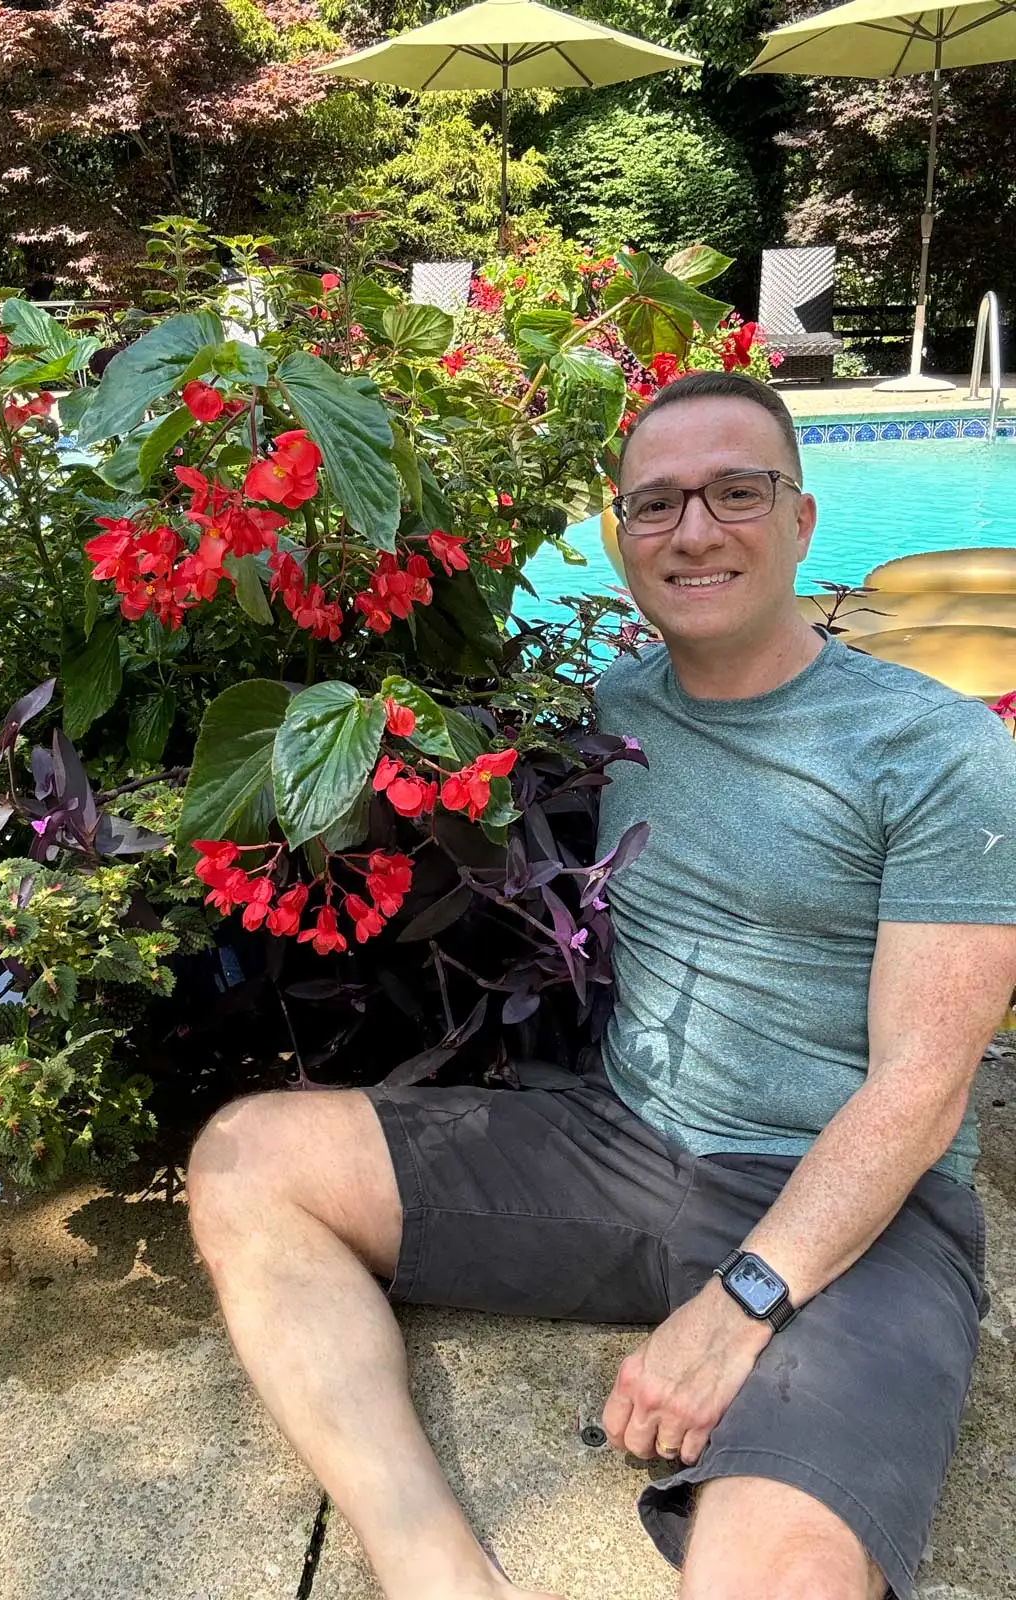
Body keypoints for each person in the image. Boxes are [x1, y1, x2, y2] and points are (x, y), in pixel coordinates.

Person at [185, 370, 1016, 1600]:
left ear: (802, 521)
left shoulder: (936, 749)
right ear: (619, 534)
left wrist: (739, 1305)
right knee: (250, 1159)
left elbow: (925, 1084)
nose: (694, 529)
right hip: (620, 1144)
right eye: (656, 503)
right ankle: (431, 1566)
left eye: (738, 491)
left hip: (861, 1207)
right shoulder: (610, 710)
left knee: (773, 1581)